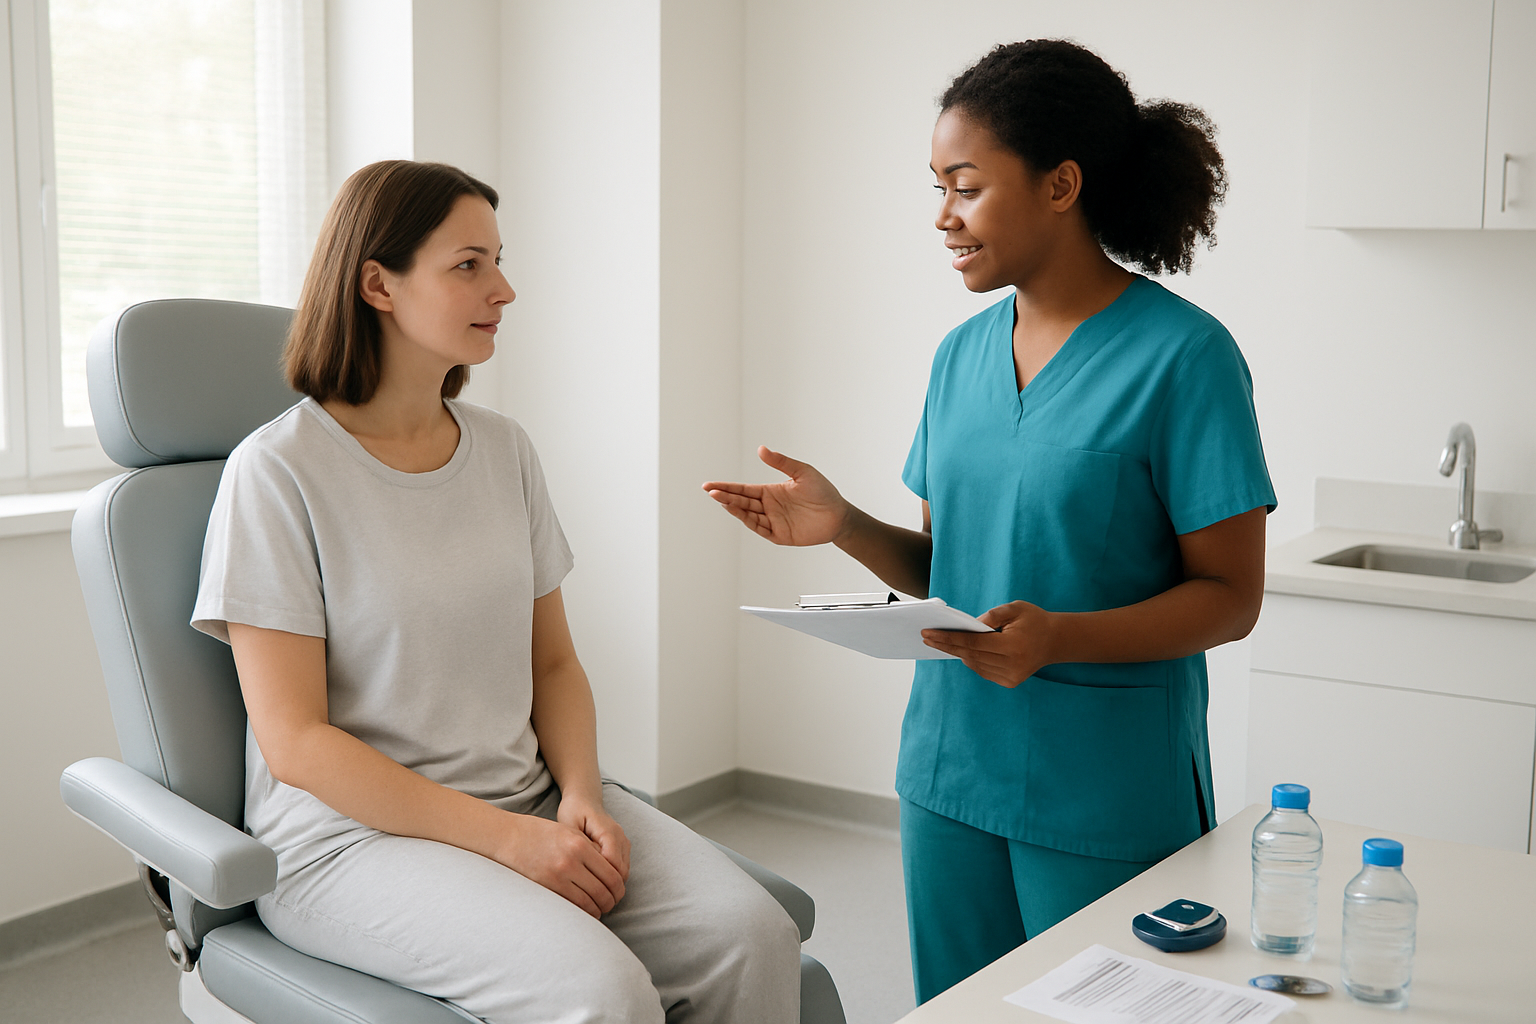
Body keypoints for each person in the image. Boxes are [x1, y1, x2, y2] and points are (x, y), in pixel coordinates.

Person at [704, 40, 1275, 1004]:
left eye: (964, 186)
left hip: (1102, 783)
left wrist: (1061, 639)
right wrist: (840, 522)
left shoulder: (1186, 359)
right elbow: (947, 566)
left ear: (1061, 185)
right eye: (937, 187)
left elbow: (1231, 598)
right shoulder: (960, 357)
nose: (942, 216)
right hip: (948, 771)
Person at [192, 160, 801, 1023]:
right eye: (469, 264)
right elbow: (296, 743)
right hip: (349, 843)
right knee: (603, 993)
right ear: (378, 285)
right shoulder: (278, 471)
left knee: (753, 935)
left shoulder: (504, 451)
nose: (504, 289)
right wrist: (513, 842)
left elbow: (553, 663)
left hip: (530, 797)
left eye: (499, 261)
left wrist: (583, 796)